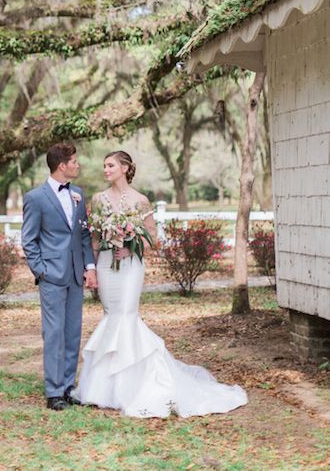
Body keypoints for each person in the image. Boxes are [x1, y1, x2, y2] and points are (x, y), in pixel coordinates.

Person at [73, 150, 248, 418]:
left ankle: (139, 384)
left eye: (110, 165)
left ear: (124, 168)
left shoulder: (140, 200)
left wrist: (130, 247)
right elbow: (95, 238)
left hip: (131, 266)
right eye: (104, 165)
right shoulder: (98, 200)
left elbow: (152, 237)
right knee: (111, 314)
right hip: (108, 263)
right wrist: (93, 268)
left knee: (127, 315)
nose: (105, 169)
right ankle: (106, 388)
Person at [21, 142, 97, 411]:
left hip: (76, 273)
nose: (78, 165)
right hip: (51, 275)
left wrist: (90, 268)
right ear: (62, 165)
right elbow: (29, 240)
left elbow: (84, 235)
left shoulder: (78, 194)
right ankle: (53, 392)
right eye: (74, 161)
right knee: (53, 333)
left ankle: (67, 388)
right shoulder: (35, 198)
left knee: (72, 333)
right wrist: (41, 270)